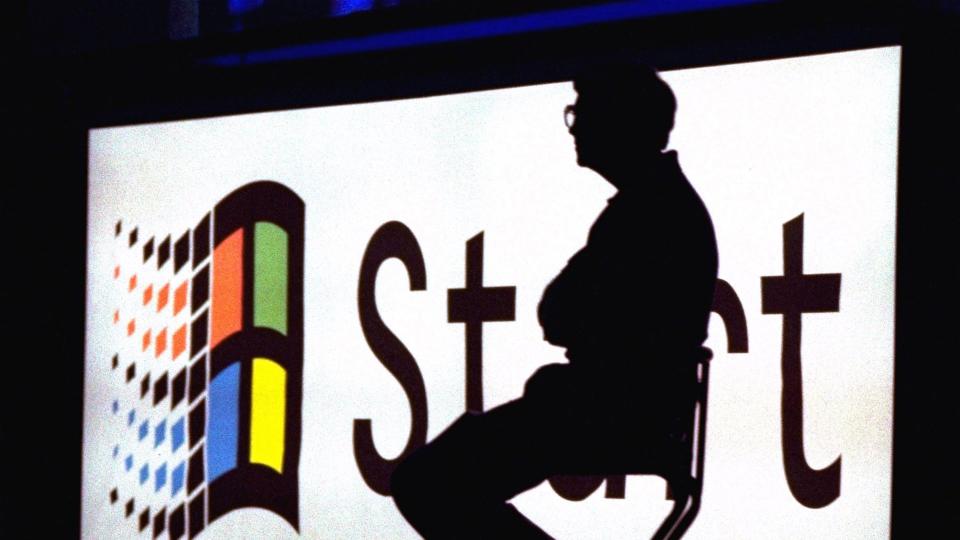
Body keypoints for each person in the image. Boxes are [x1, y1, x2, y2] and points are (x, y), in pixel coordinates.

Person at [390, 63, 718, 539]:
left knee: (426, 480)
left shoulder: (645, 216)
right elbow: (566, 311)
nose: (575, 126)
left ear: (618, 120)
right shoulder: (656, 206)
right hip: (614, 413)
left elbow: (558, 312)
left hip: (601, 415)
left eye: (582, 113)